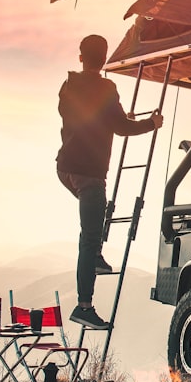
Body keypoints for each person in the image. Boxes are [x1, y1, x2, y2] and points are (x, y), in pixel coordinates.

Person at [56, 35, 163, 329]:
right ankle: (84, 306)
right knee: (89, 238)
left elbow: (84, 117)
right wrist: (150, 124)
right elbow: (120, 127)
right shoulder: (106, 87)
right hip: (89, 173)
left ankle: (96, 259)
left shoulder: (68, 86)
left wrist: (110, 116)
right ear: (104, 59)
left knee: (91, 228)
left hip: (65, 168)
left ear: (80, 57)